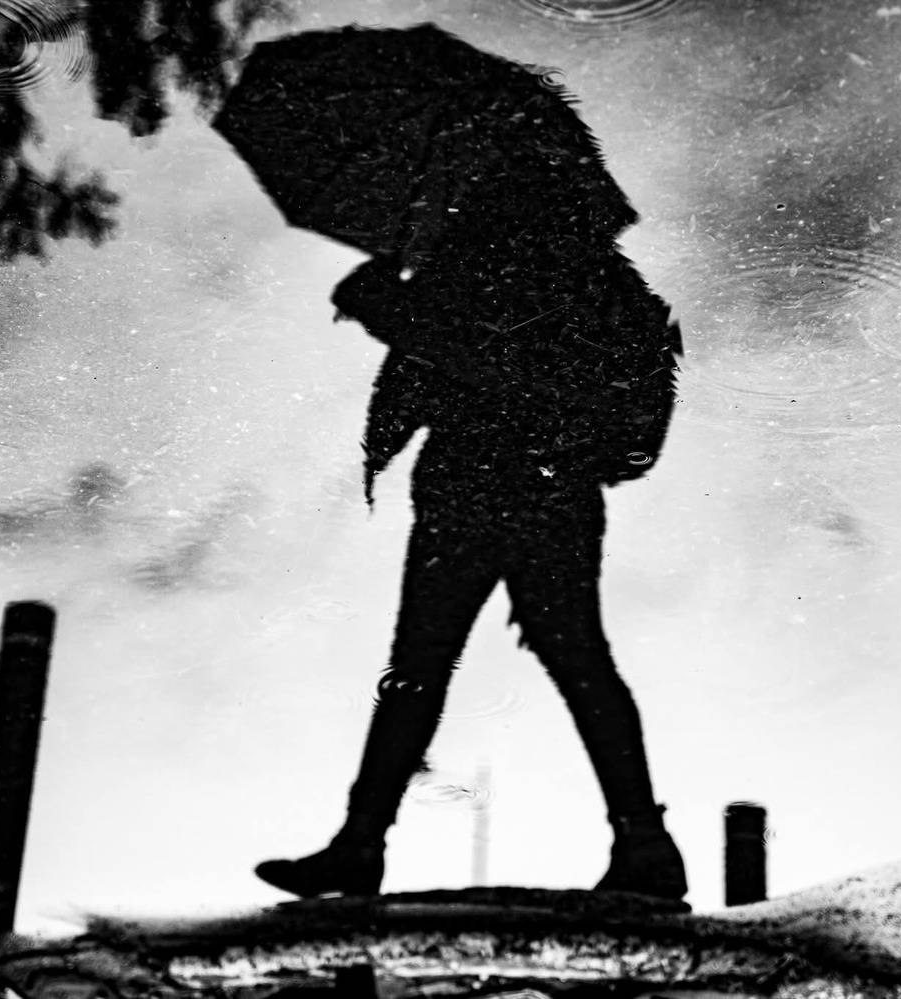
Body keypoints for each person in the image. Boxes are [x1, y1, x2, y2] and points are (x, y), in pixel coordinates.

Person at [254, 225, 686, 901]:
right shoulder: (581, 270)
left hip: (501, 488)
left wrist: (386, 306)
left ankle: (362, 843)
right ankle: (641, 842)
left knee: (457, 665)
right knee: (480, 664)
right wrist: (393, 306)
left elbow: (475, 354)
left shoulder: (518, 261)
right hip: (508, 490)